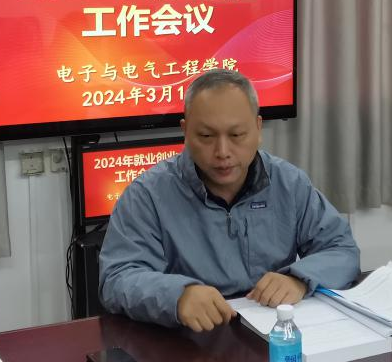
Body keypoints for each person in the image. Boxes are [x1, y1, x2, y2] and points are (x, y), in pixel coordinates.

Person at [99, 69, 360, 331]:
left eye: (236, 135)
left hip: (272, 334)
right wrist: (178, 296)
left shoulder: (288, 183)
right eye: (206, 136)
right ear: (185, 131)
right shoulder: (148, 195)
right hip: (191, 338)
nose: (222, 152)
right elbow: (117, 278)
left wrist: (299, 279)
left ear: (258, 128)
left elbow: (342, 249)